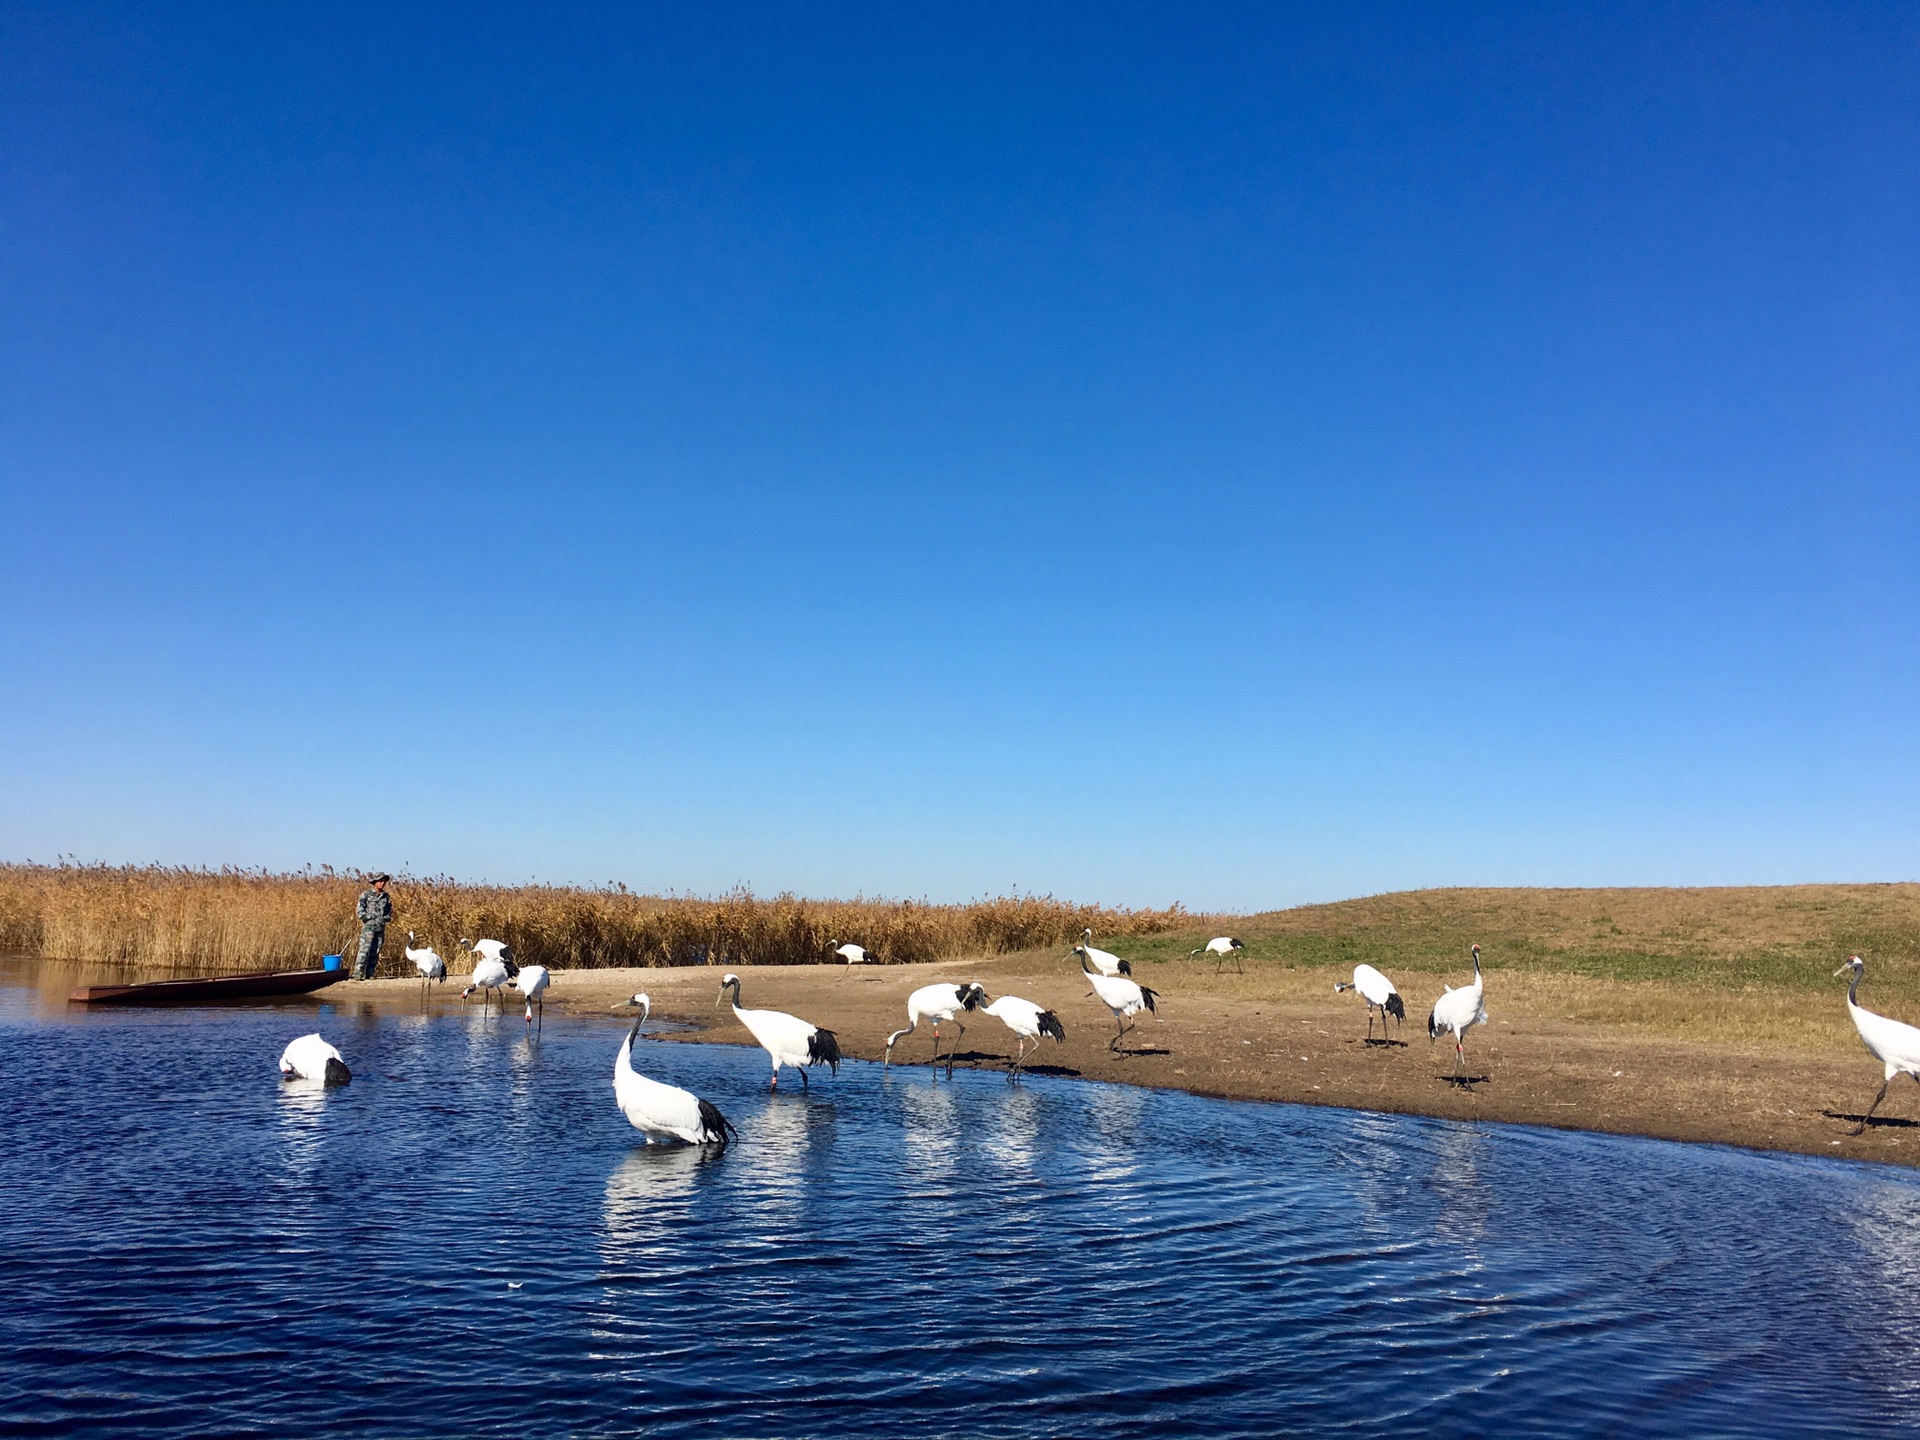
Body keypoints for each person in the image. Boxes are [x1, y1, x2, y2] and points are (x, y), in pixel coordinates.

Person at [353, 873, 394, 981]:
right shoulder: (366, 894)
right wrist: (366, 918)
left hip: (380, 927)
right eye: (380, 881)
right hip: (369, 928)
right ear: (375, 882)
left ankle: (370, 973)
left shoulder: (386, 896)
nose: (383, 883)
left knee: (375, 951)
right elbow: (359, 909)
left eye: (384, 881)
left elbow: (389, 910)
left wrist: (386, 918)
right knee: (364, 950)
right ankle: (358, 973)